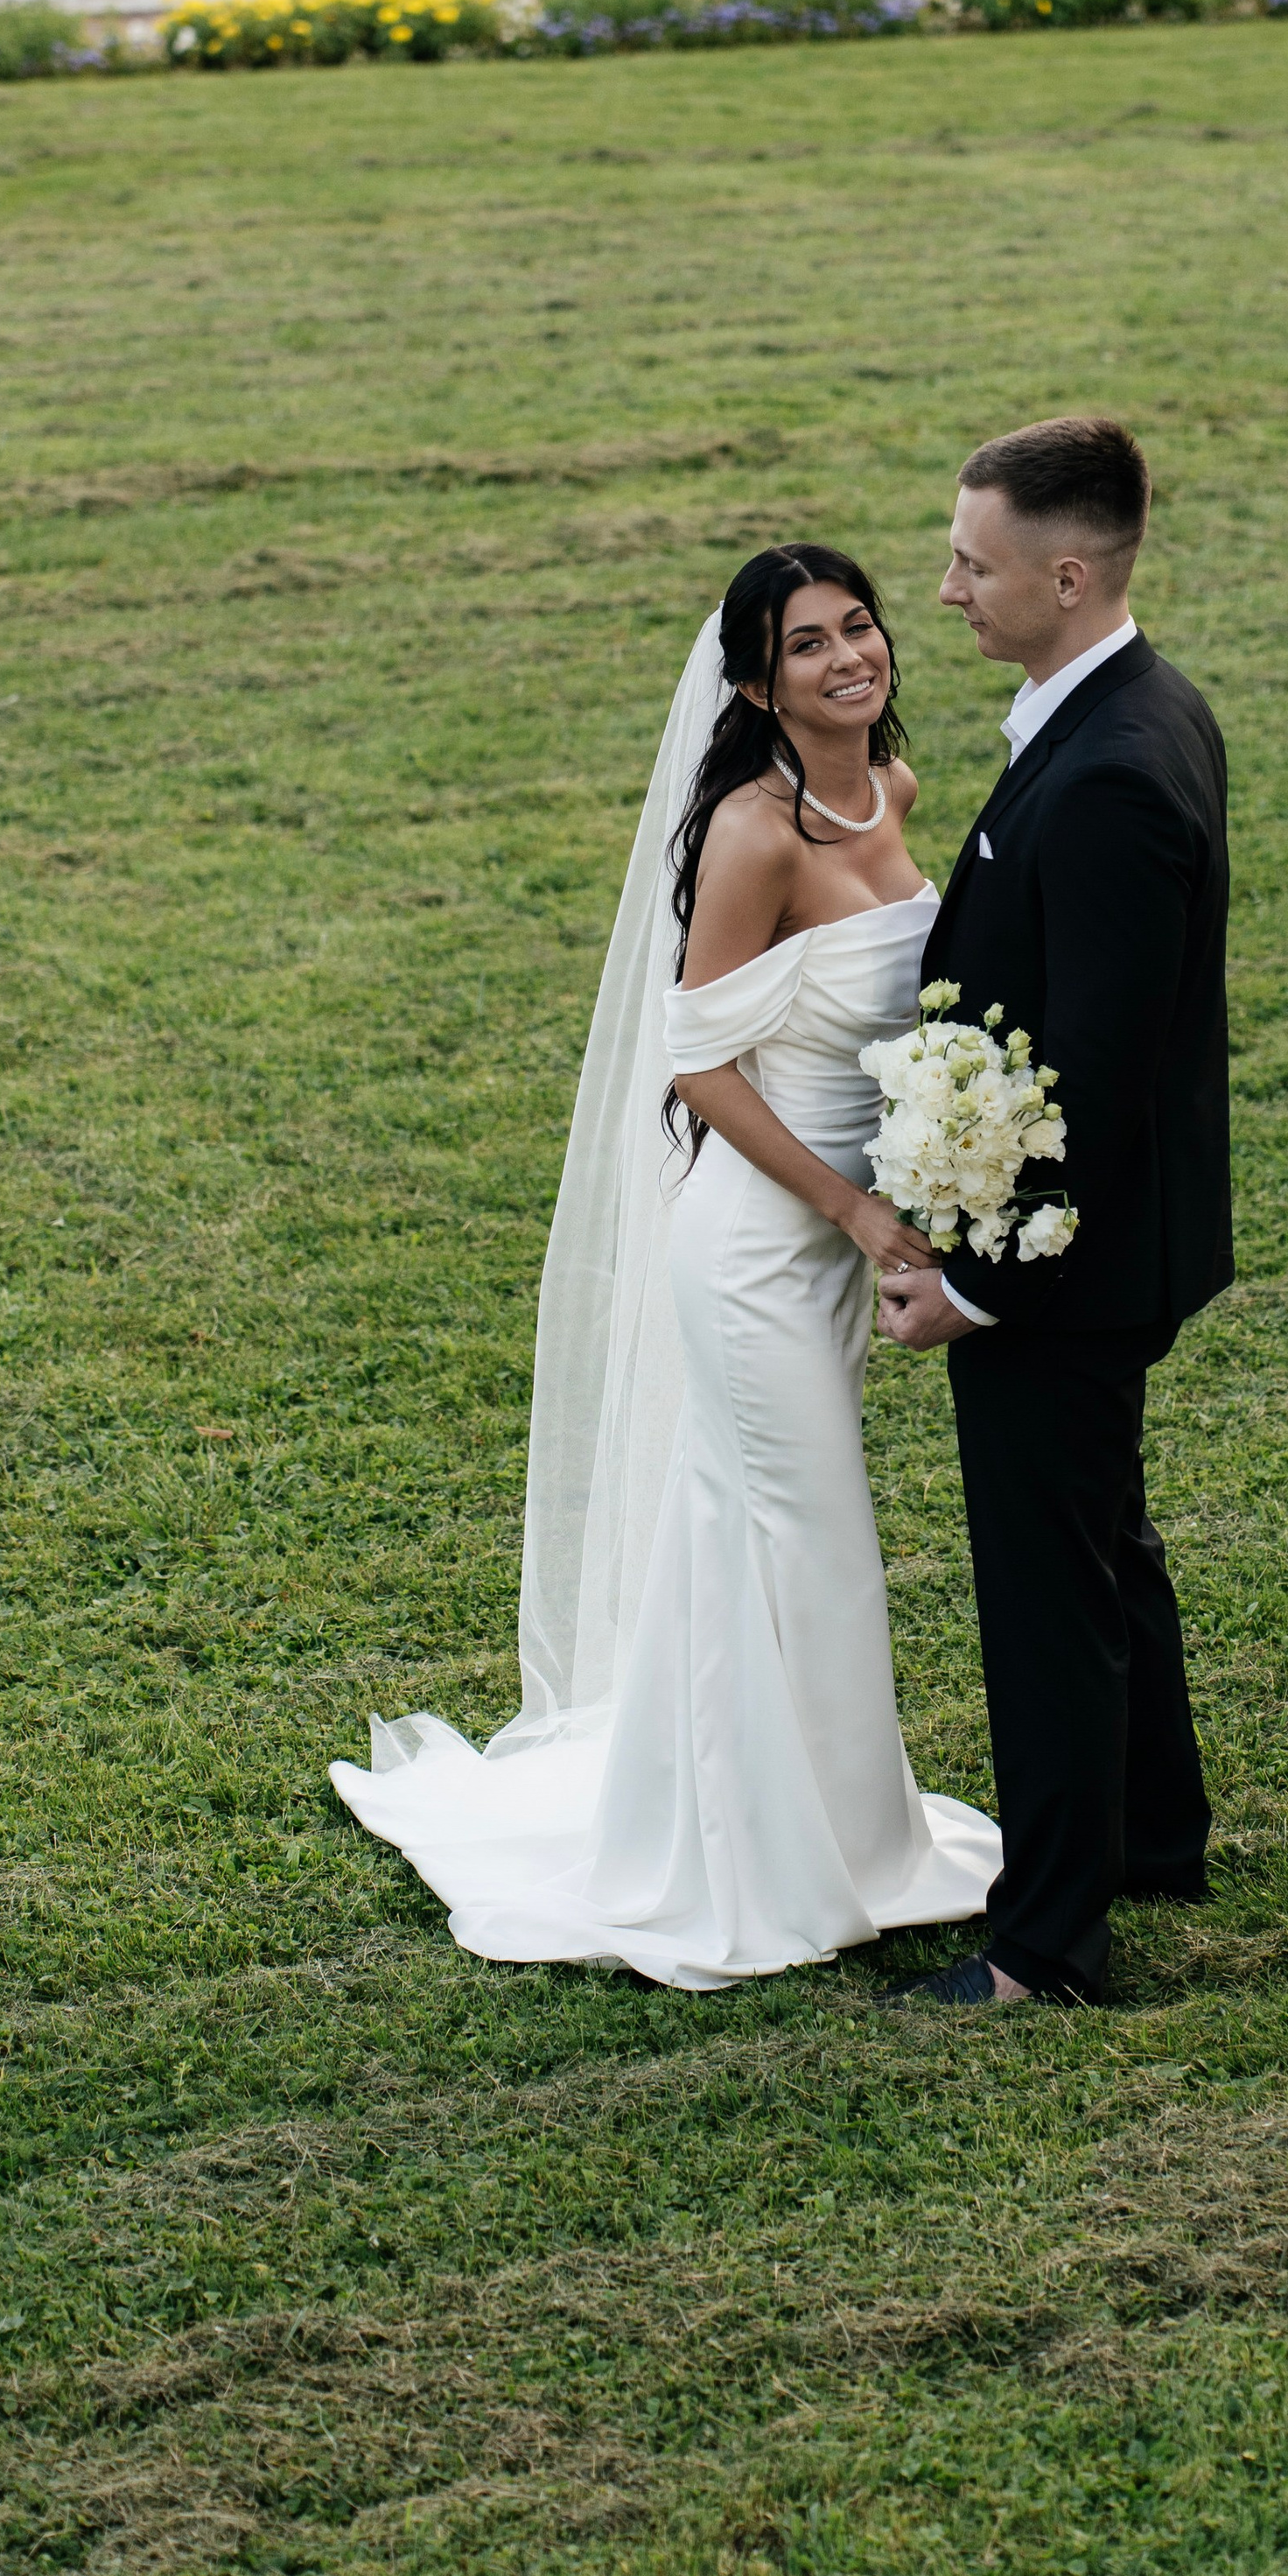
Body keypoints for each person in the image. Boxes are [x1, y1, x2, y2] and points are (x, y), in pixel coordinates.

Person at [329, 546, 998, 1989]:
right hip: (762, 1242)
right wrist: (859, 1211)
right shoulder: (757, 835)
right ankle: (787, 1863)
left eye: (861, 627)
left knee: (752, 1526)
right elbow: (699, 1068)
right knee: (805, 1531)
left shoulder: (892, 792)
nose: (849, 658)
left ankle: (774, 1820)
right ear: (755, 685)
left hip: (834, 1236)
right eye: (807, 644)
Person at [878, 416, 1230, 2007]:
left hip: (1066, 1268)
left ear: (1068, 574)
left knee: (1045, 1595)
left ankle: (1046, 1950)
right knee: (1102, 1544)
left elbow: (1100, 1076)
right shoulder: (1117, 709)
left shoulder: (1114, 778)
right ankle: (1155, 1832)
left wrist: (985, 1285)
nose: (944, 590)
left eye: (973, 562)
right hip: (1097, 1255)